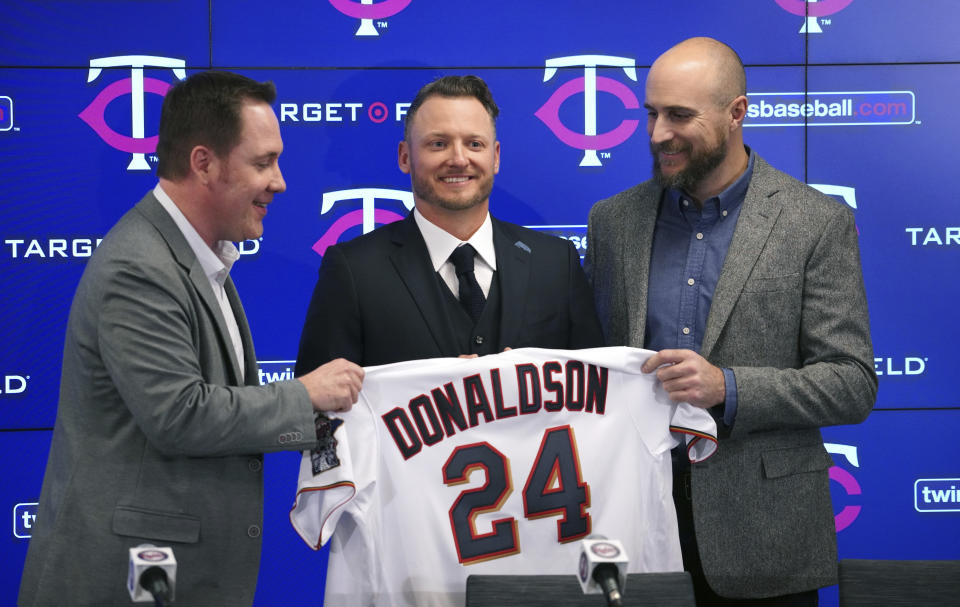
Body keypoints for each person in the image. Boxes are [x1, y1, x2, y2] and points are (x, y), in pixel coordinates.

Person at [18, 71, 364, 607]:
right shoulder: (139, 265)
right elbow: (179, 415)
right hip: (136, 580)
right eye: (263, 162)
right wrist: (306, 396)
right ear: (203, 163)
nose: (280, 182)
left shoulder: (199, 259)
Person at [585, 37, 877, 606]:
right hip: (632, 527)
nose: (657, 133)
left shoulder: (816, 223)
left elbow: (852, 382)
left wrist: (728, 386)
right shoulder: (613, 221)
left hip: (765, 540)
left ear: (737, 112)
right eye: (651, 113)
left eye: (679, 116)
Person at [295, 75, 603, 373]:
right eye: (438, 144)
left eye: (474, 144)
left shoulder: (556, 264)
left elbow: (597, 392)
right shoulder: (354, 271)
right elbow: (321, 411)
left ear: (495, 157)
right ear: (405, 157)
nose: (458, 159)